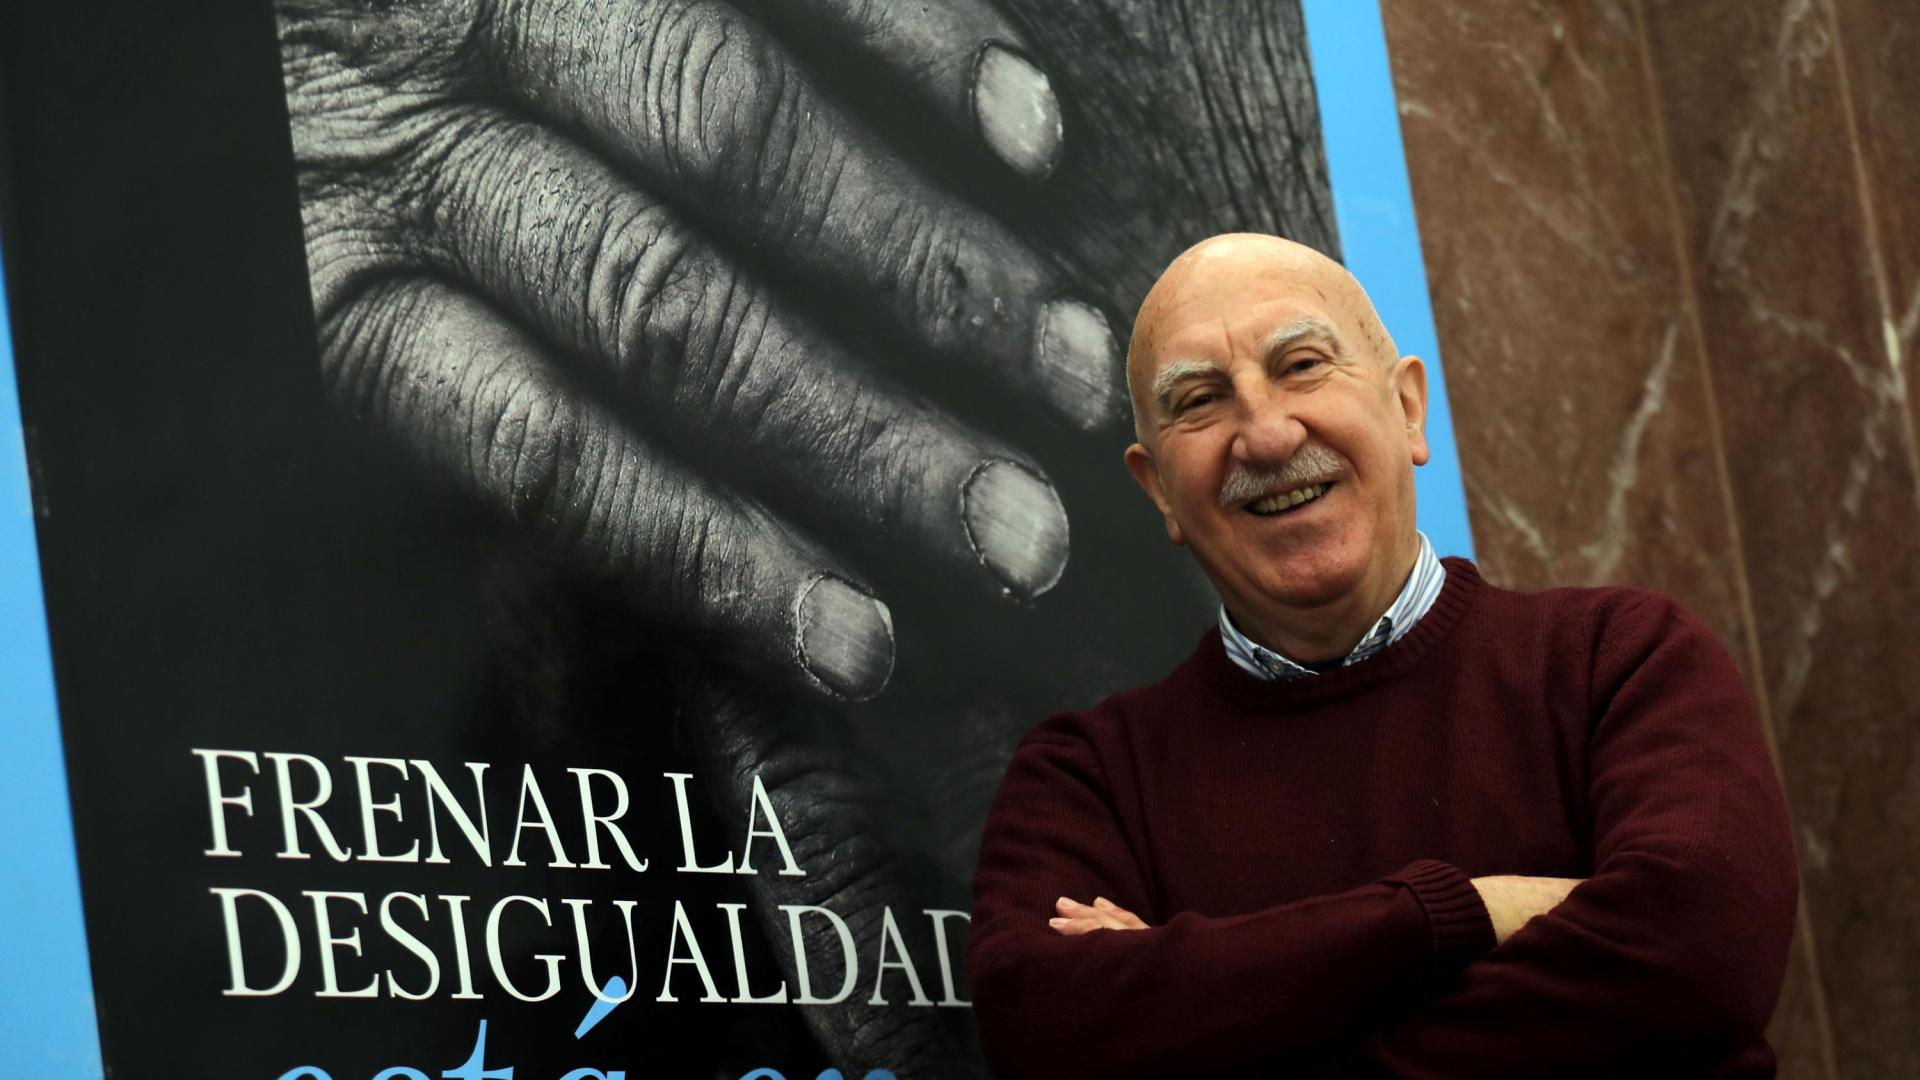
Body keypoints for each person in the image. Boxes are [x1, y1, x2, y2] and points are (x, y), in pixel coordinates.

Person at [966, 233, 1799, 1078]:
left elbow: (1706, 947)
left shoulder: (1616, 662)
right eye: (1202, 401)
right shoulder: (1090, 782)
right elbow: (1048, 1033)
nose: (1265, 433)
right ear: (1158, 490)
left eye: (1300, 365)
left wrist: (1218, 1004)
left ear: (1408, 409)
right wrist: (1466, 911)